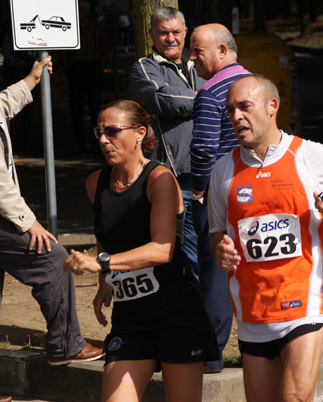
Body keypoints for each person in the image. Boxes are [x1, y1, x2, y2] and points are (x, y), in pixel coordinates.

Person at [209, 75, 323, 401]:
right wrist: (220, 248)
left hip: (307, 301)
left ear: (272, 107)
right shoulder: (222, 171)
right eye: (230, 110)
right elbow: (216, 232)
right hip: (253, 310)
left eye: (245, 107)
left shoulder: (310, 156)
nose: (236, 117)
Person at [0, 40, 104, 402]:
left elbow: (2, 105)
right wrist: (28, 222)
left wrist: (31, 79)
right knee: (54, 260)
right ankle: (65, 344)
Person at [64, 100, 218, 402]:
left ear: (139, 133)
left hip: (176, 311)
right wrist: (104, 284)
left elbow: (162, 250)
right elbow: (105, 236)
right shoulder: (96, 182)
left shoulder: (160, 179)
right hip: (131, 315)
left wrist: (102, 264)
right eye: (99, 132)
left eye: (112, 131)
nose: (103, 140)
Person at [188, 23, 251, 373]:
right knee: (252, 270)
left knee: (216, 274)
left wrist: (199, 188)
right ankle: (257, 348)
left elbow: (202, 150)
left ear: (223, 51)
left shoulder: (211, 92)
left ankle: (210, 354)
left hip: (222, 195)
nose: (191, 57)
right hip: (259, 189)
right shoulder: (256, 86)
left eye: (198, 50)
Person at [129, 7, 202, 278]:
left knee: (216, 247)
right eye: (163, 33)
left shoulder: (201, 64)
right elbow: (162, 98)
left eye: (175, 32)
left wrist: (183, 101)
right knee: (186, 251)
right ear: (151, 35)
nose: (170, 38)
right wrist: (207, 100)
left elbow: (231, 94)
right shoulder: (144, 68)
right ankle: (195, 312)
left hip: (213, 174)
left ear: (185, 33)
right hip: (176, 179)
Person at [61, 0, 108, 152]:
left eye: (83, 9)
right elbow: (62, 50)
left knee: (95, 107)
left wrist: (100, 68)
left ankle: (96, 143)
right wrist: (67, 69)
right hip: (75, 69)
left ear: (88, 11)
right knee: (76, 107)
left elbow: (105, 49)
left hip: (93, 69)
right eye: (78, 9)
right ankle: (79, 144)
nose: (80, 11)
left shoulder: (97, 27)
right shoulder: (69, 27)